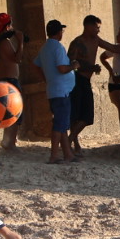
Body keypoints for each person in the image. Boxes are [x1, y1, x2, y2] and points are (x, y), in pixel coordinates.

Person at [68, 15, 119, 154]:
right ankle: (72, 142)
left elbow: (113, 48)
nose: (98, 30)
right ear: (88, 26)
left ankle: (70, 140)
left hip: (86, 81)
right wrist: (90, 67)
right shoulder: (77, 43)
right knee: (78, 115)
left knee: (87, 116)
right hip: (76, 80)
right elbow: (70, 64)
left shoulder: (96, 40)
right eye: (97, 27)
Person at [35, 19, 78, 163]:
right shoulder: (58, 48)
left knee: (62, 124)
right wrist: (73, 66)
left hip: (54, 90)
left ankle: (68, 154)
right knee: (59, 125)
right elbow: (61, 68)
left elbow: (36, 65)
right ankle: (53, 155)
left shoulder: (44, 47)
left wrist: (47, 78)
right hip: (61, 91)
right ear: (59, 32)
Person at [0, 13, 25, 150]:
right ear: (8, 26)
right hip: (10, 81)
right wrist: (20, 41)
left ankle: (8, 140)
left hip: (2, 80)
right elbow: (17, 59)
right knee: (14, 112)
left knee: (9, 112)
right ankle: (10, 143)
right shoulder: (4, 43)